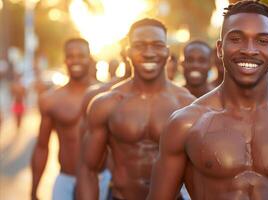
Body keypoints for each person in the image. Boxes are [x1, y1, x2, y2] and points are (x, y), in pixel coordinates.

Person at [148, 1, 268, 199]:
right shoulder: (186, 123)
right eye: (236, 39)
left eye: (262, 40)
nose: (249, 50)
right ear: (219, 49)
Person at [76, 18, 195, 200]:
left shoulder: (187, 105)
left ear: (167, 52)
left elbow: (201, 175)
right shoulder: (107, 104)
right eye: (140, 45)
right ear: (128, 52)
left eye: (157, 45)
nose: (148, 53)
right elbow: (88, 169)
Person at [31, 38, 97, 200]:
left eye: (81, 56)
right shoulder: (51, 99)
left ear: (89, 58)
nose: (75, 60)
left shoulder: (105, 95)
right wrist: (33, 190)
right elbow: (41, 147)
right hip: (66, 179)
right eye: (70, 56)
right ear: (64, 60)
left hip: (100, 179)